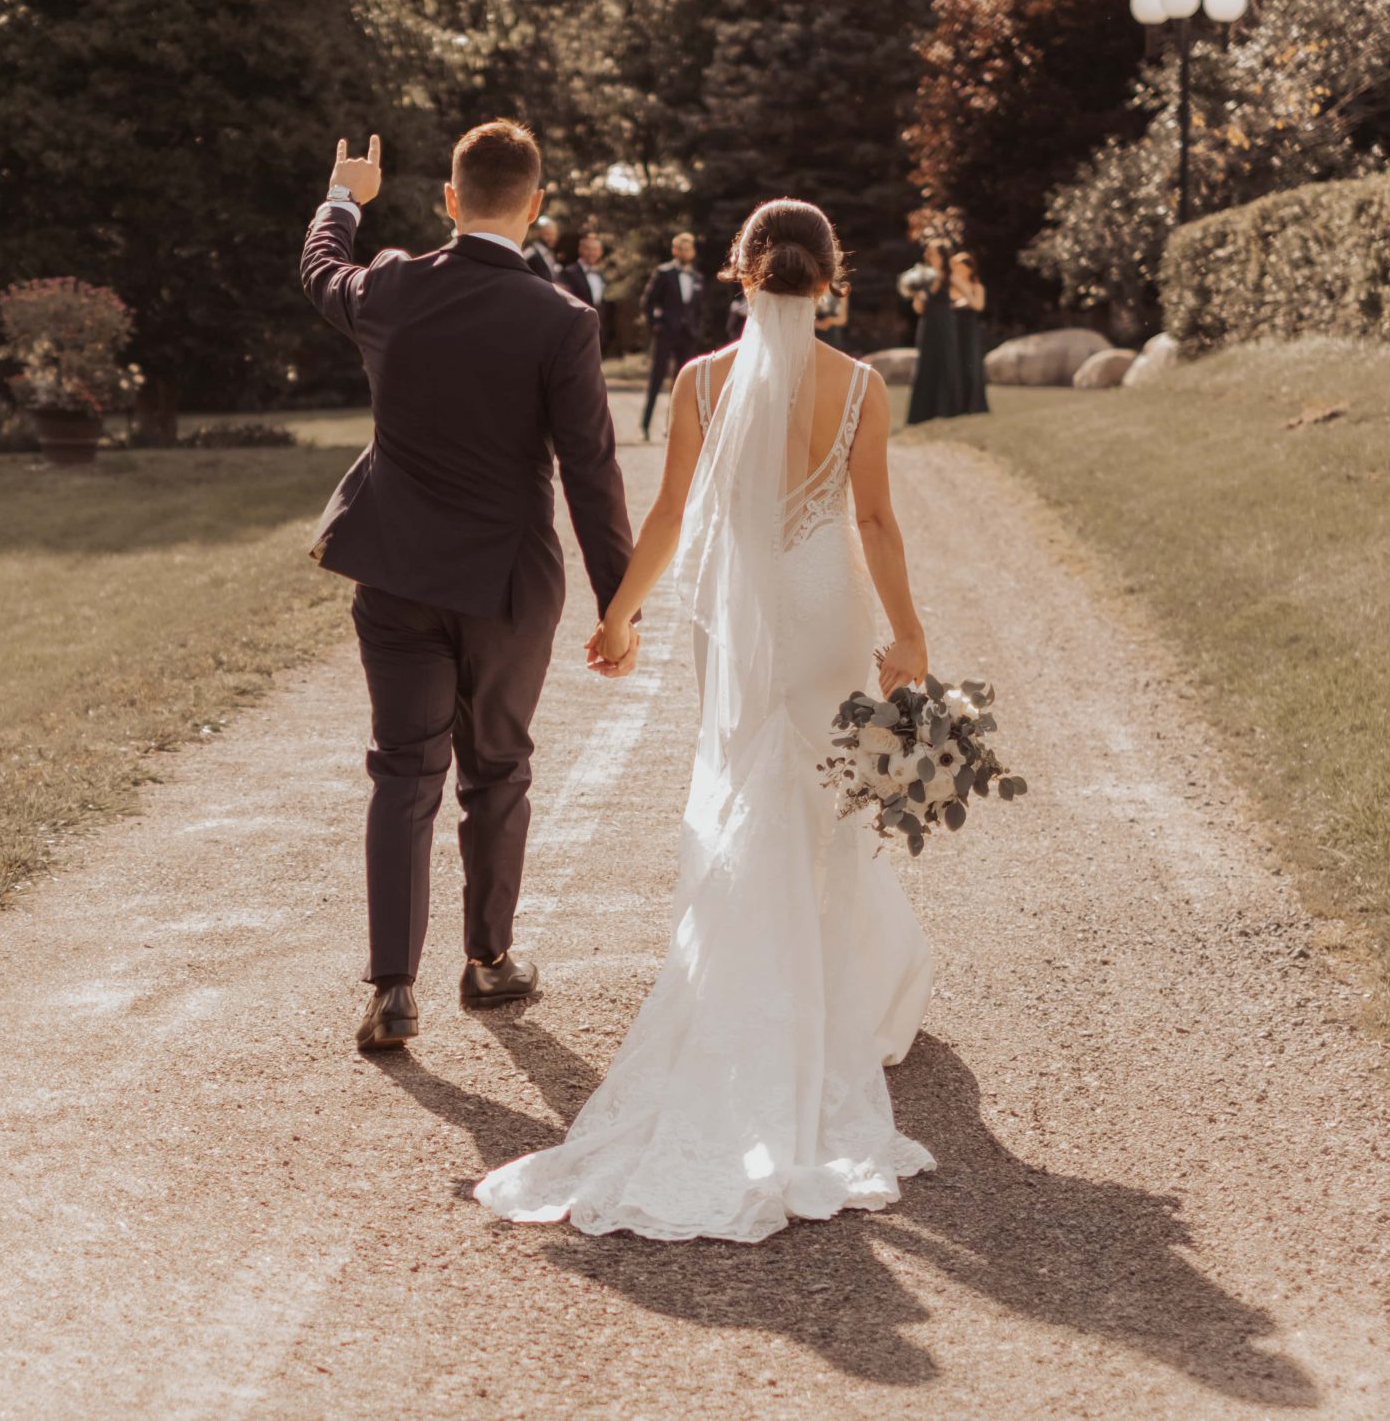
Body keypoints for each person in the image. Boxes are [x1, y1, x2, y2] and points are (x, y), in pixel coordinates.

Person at [477, 197, 938, 1242]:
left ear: (740, 275)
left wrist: (620, 613)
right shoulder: (859, 385)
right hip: (821, 609)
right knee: (827, 792)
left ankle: (762, 974)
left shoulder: (699, 381)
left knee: (750, 783)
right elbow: (873, 520)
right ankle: (836, 991)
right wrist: (907, 635)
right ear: (829, 278)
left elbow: (675, 516)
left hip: (739, 620)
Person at [301, 124, 636, 1053]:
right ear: (535, 207)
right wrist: (619, 605)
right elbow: (591, 473)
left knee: (400, 771)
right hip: (507, 585)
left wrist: (343, 195)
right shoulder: (561, 319)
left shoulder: (394, 286)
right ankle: (487, 961)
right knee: (498, 769)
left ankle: (392, 991)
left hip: (397, 572)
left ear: (450, 199)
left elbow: (324, 268)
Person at [640, 231, 705, 440]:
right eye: (681, 247)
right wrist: (656, 324)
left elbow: (699, 308)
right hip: (666, 333)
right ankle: (645, 426)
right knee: (657, 378)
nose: (685, 251)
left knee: (682, 383)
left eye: (689, 248)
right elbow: (648, 302)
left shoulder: (697, 277)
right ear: (675, 250)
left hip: (688, 335)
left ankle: (673, 427)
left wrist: (697, 328)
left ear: (693, 251)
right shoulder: (664, 273)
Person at [902, 236, 964, 424]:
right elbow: (917, 308)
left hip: (945, 323)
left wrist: (962, 302)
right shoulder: (923, 276)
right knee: (926, 362)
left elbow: (963, 294)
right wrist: (919, 299)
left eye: (933, 253)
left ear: (942, 256)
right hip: (928, 324)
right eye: (928, 253)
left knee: (946, 360)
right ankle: (923, 412)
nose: (929, 256)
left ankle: (948, 409)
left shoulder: (949, 276)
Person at [946, 249, 989, 414]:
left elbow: (978, 305)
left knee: (970, 364)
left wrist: (963, 287)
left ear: (970, 269)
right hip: (952, 331)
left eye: (961, 267)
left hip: (968, 331)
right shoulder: (949, 287)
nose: (958, 270)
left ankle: (973, 405)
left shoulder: (976, 286)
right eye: (956, 267)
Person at [523, 215, 562, 284]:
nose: (552, 238)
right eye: (548, 234)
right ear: (538, 233)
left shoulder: (550, 252)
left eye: (554, 234)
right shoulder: (530, 252)